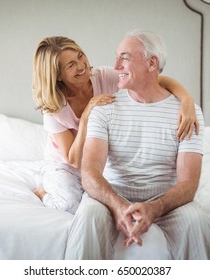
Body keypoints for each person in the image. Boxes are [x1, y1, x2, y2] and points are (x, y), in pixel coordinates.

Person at [65, 30, 210, 259]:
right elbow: (89, 174)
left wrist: (154, 208)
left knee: (197, 221)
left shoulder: (188, 113)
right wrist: (118, 206)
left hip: (167, 200)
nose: (116, 65)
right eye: (116, 57)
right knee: (88, 215)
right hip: (112, 196)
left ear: (152, 63)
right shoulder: (103, 108)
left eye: (125, 57)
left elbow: (189, 183)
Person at [31, 36, 199, 215]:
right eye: (71, 65)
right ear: (57, 75)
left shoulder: (104, 77)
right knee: (72, 206)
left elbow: (155, 79)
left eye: (80, 56)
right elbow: (73, 159)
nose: (81, 66)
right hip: (66, 165)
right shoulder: (53, 106)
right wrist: (88, 113)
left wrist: (187, 100)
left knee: (105, 200)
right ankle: (42, 191)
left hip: (99, 160)